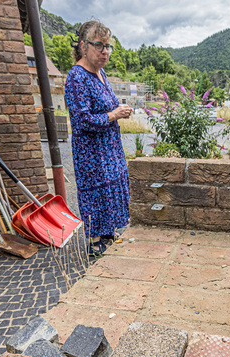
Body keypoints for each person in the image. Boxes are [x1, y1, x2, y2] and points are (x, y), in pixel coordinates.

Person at [65, 20, 133, 257]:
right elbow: (82, 120)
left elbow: (106, 107)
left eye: (108, 46)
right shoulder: (77, 77)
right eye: (99, 46)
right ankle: (95, 241)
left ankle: (107, 234)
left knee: (112, 188)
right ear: (84, 46)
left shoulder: (100, 73)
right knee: (96, 191)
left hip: (109, 146)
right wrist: (114, 114)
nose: (105, 52)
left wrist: (119, 111)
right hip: (91, 151)